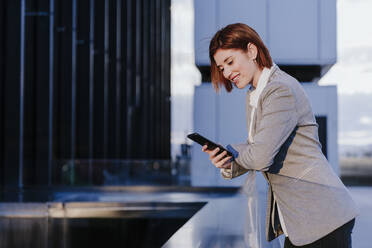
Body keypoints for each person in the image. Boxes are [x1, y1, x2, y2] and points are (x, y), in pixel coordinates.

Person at [202, 23, 359, 248]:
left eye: (229, 62)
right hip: (301, 222)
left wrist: (234, 152)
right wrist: (227, 160)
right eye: (221, 67)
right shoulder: (255, 95)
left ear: (252, 51)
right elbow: (256, 148)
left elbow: (260, 156)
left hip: (323, 218)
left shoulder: (280, 90)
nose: (226, 73)